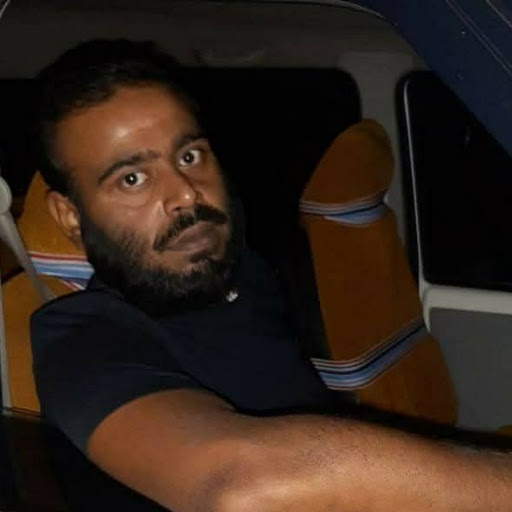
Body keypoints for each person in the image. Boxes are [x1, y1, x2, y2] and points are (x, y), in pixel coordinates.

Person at [31, 39, 512, 511]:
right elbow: (239, 486)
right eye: (132, 179)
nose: (186, 194)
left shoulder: (246, 276)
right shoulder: (80, 340)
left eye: (189, 156)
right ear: (70, 216)